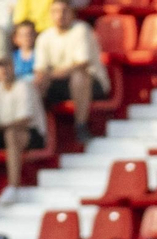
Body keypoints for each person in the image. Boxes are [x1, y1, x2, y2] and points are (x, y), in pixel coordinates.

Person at [34, 0, 108, 144]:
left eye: (64, 11)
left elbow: (81, 64)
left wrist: (51, 74)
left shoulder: (81, 29)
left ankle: (81, 126)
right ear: (50, 15)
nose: (60, 15)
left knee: (79, 77)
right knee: (36, 84)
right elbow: (40, 70)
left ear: (72, 13)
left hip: (93, 83)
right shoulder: (44, 37)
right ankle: (40, 135)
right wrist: (45, 77)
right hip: (59, 82)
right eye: (55, 11)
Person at [0, 54, 42, 207]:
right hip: (3, 131)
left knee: (11, 135)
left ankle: (14, 187)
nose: (3, 70)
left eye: (6, 66)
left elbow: (24, 120)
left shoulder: (24, 86)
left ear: (13, 68)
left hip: (30, 133)